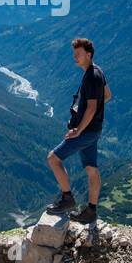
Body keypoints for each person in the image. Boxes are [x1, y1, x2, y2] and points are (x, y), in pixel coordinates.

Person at [45, 37, 110, 223]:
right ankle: (91, 211)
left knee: (53, 158)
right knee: (91, 168)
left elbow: (90, 107)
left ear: (88, 55)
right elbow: (107, 95)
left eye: (78, 54)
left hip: (86, 131)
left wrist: (79, 129)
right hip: (94, 130)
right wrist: (95, 113)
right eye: (74, 53)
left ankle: (67, 199)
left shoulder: (91, 76)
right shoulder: (98, 71)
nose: (75, 57)